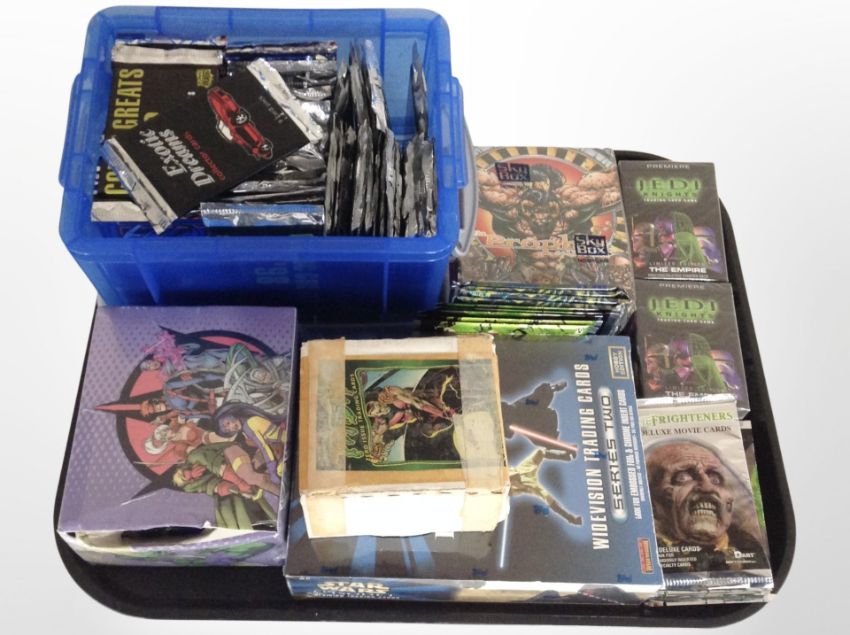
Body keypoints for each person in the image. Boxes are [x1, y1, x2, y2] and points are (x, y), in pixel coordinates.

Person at [645, 440, 769, 572]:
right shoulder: (645, 554)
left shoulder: (752, 550)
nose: (707, 487)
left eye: (715, 479)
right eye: (682, 478)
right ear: (653, 500)